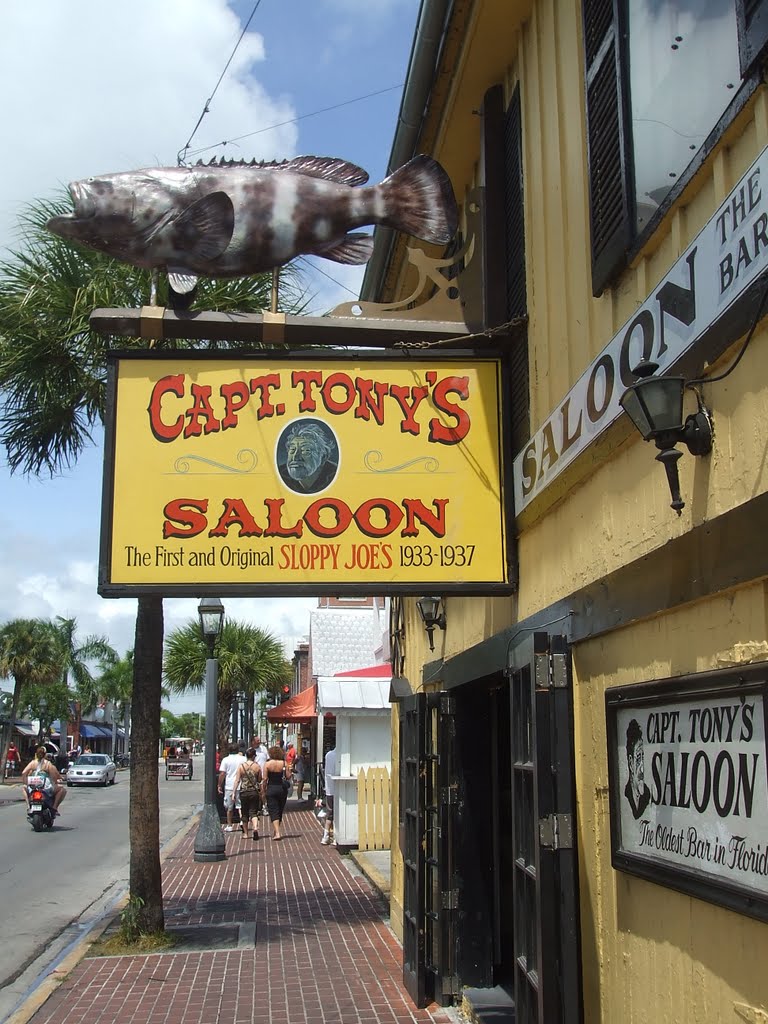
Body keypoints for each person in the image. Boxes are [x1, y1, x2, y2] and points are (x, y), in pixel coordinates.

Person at [278, 421, 339, 494]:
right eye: (292, 450)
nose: (295, 457)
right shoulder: (280, 474)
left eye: (306, 450)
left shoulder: (336, 475)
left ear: (323, 457)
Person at [21, 744, 67, 815]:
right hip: (45, 787)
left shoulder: (33, 763)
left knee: (24, 788)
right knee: (62, 790)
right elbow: (54, 776)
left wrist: (25, 782)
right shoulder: (48, 764)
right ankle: (54, 808)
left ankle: (28, 806)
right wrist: (55, 782)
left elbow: (24, 772)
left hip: (32, 787)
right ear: (45, 754)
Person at [262, 744, 291, 841]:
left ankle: (277, 832)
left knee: (273, 810)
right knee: (280, 810)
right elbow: (288, 776)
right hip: (282, 789)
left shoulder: (267, 764)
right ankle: (276, 829)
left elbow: (265, 779)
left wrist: (263, 790)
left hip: (271, 788)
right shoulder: (284, 763)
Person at [232, 748, 263, 840]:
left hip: (244, 791)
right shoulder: (257, 767)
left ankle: (245, 833)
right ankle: (255, 828)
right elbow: (260, 779)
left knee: (244, 813)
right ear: (253, 756)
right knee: (253, 812)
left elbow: (237, 780)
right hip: (254, 791)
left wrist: (234, 792)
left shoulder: (241, 766)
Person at [624, 719, 651, 820]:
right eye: (638, 759)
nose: (642, 769)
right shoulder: (625, 794)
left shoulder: (647, 794)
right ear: (631, 763)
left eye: (642, 758)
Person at [218, 743, 246, 833]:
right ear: (238, 750)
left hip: (229, 786)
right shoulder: (243, 759)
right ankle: (242, 821)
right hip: (241, 785)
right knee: (240, 806)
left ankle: (229, 825)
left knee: (229, 807)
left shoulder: (226, 760)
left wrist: (219, 785)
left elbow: (222, 773)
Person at [320, 745, 337, 845]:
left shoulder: (328, 755)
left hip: (329, 789)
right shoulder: (339, 756)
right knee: (338, 814)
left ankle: (325, 836)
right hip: (338, 790)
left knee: (330, 813)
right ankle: (335, 837)